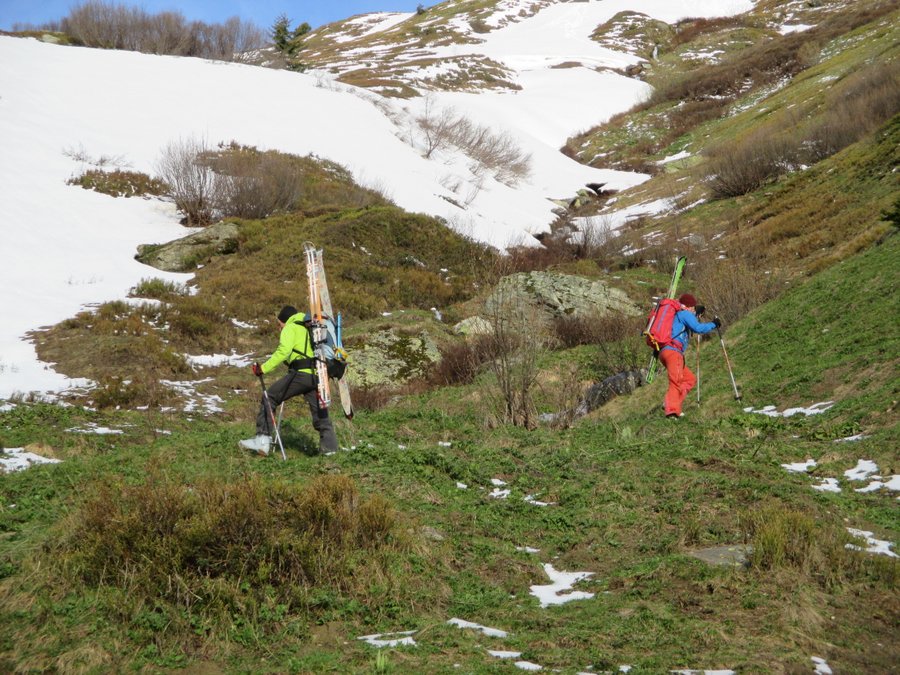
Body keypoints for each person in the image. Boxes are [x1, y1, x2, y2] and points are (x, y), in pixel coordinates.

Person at [239, 305, 338, 456]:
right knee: (320, 413)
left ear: (284, 320)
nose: (279, 328)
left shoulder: (290, 328)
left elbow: (283, 352)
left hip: (300, 375)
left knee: (269, 397)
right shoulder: (308, 326)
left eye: (279, 324)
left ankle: (262, 440)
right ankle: (330, 449)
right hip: (315, 375)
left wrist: (263, 368)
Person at [659, 293, 720, 419]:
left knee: (689, 379)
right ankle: (671, 412)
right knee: (675, 381)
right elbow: (698, 328)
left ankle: (671, 403)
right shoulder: (684, 314)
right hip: (673, 351)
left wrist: (695, 314)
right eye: (693, 306)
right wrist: (714, 324)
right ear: (689, 306)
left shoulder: (677, 314)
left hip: (666, 351)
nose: (693, 308)